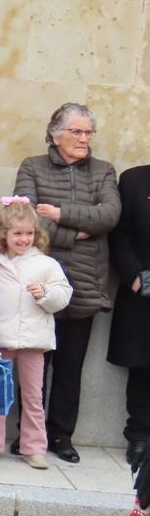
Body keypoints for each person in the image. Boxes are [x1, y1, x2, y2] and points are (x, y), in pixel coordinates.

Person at [13, 102, 120, 463]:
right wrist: (79, 232)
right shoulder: (32, 167)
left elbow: (109, 215)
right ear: (55, 133)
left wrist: (57, 214)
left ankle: (61, 435)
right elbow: (25, 218)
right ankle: (27, 434)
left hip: (86, 281)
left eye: (88, 132)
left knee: (70, 367)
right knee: (33, 363)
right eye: (76, 131)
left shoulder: (104, 171)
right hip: (39, 280)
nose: (84, 138)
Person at [0, 198, 72, 469]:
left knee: (33, 397)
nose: (23, 239)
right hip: (0, 342)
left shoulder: (46, 264)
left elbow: (63, 296)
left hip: (34, 342)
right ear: (3, 234)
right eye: (17, 233)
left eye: (29, 233)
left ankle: (34, 447)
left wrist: (46, 295)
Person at [107, 165, 150, 466]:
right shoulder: (134, 180)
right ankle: (140, 438)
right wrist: (135, 276)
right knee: (144, 368)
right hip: (144, 290)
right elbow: (119, 235)